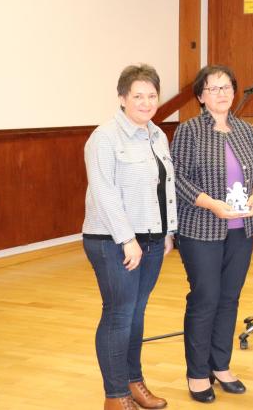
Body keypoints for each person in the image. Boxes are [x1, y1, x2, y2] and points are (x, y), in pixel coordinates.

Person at [82, 64, 176, 410]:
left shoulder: (157, 135)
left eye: (152, 95)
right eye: (138, 96)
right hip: (112, 240)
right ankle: (115, 394)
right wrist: (126, 239)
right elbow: (104, 193)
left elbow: (164, 188)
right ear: (122, 98)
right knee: (118, 314)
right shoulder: (105, 137)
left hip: (151, 237)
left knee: (136, 314)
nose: (146, 102)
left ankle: (134, 383)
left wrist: (168, 232)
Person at [171, 65, 253, 402]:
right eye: (212, 88)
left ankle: (221, 365)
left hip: (242, 229)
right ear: (200, 96)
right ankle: (198, 373)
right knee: (205, 297)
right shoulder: (189, 131)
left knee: (229, 299)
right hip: (202, 228)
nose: (221, 93)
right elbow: (178, 178)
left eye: (226, 87)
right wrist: (211, 203)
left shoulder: (245, 130)